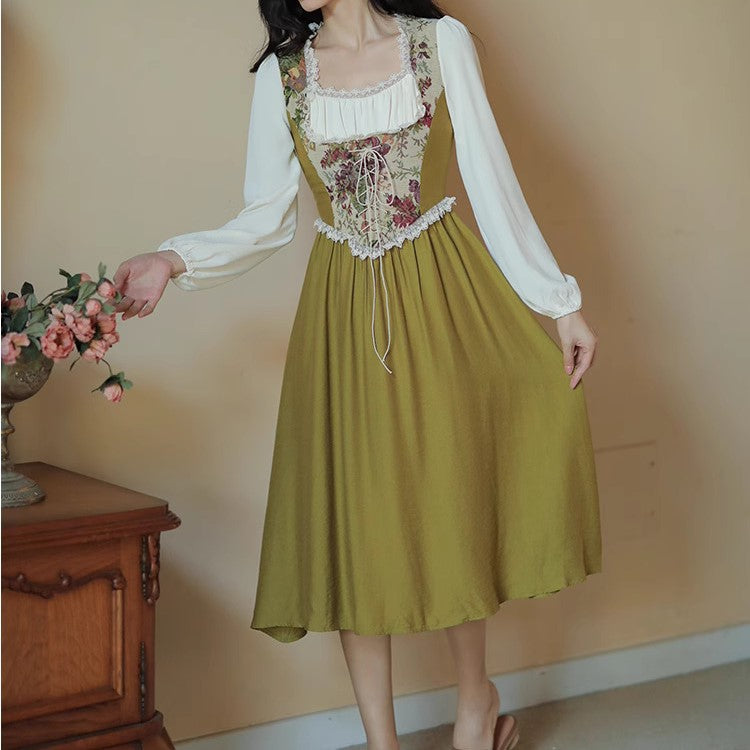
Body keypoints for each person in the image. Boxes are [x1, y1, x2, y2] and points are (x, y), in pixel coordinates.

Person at [113, 1, 602, 748]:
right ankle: (383, 742)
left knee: (448, 498)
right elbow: (266, 216)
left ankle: (476, 701)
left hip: (441, 296)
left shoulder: (440, 44)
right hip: (341, 313)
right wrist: (172, 258)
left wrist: (559, 303)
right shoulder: (284, 76)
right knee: (356, 523)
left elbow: (490, 178)